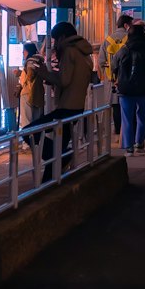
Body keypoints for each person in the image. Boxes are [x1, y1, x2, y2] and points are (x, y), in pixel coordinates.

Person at [40, 21, 95, 175]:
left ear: (63, 37)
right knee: (61, 142)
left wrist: (45, 73)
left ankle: (62, 158)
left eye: (56, 39)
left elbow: (64, 80)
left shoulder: (69, 51)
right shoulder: (83, 51)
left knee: (30, 131)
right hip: (77, 105)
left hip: (66, 106)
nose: (55, 43)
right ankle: (52, 174)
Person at [115, 22, 145, 154]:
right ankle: (139, 142)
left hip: (126, 90)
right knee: (142, 116)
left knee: (127, 118)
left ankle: (129, 147)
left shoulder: (123, 50)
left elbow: (114, 66)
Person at [18, 40, 47, 129]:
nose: (23, 52)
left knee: (27, 121)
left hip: (27, 93)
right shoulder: (40, 61)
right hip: (39, 93)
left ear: (28, 51)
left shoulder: (30, 61)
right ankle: (36, 142)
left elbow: (30, 75)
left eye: (24, 50)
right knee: (36, 121)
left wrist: (22, 77)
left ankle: (27, 142)